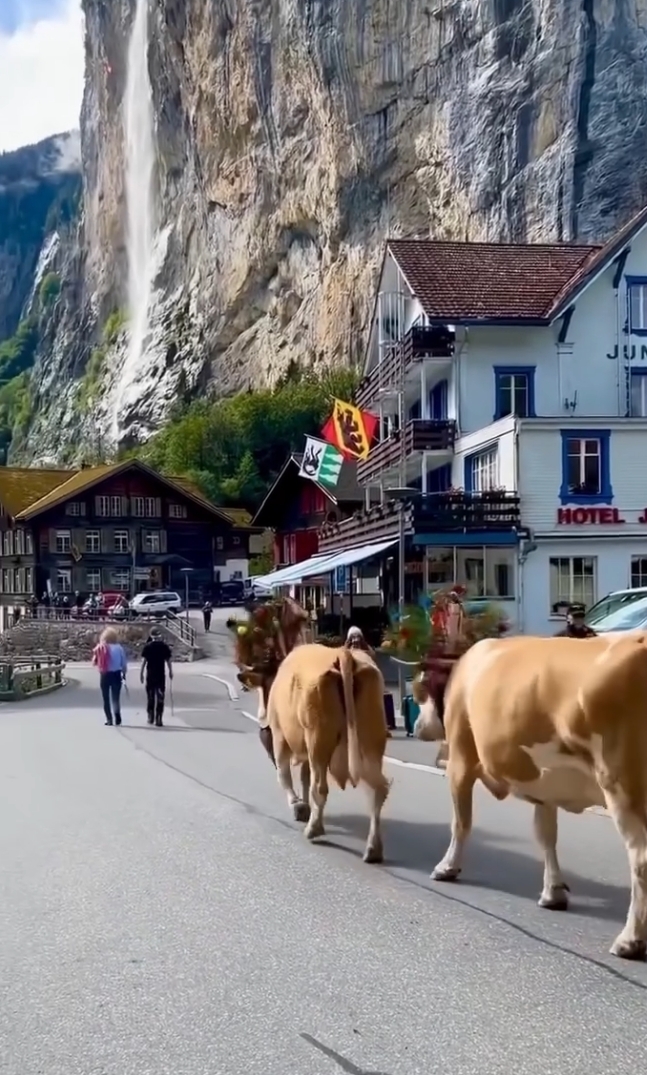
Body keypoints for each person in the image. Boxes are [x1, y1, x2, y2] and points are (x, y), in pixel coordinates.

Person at [92, 626, 128, 726]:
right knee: (115, 698)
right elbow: (124, 664)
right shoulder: (119, 648)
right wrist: (124, 674)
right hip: (116, 674)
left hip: (105, 674)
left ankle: (109, 719)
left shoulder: (101, 647)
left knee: (106, 698)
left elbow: (95, 661)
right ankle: (118, 717)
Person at [140, 626, 173, 727]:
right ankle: (159, 718)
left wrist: (141, 673)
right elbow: (168, 660)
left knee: (150, 697)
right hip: (160, 675)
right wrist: (171, 671)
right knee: (160, 697)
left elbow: (144, 661)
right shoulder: (164, 646)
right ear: (160, 635)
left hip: (150, 675)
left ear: (151, 635)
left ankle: (151, 716)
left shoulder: (148, 647)